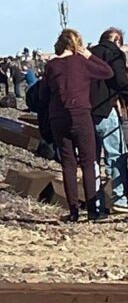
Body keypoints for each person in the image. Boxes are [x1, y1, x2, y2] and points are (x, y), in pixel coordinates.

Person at [38, 28, 113, 222]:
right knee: (88, 162)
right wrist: (89, 56)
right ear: (77, 44)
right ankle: (93, 212)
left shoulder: (51, 66)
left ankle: (73, 212)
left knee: (68, 163)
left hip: (58, 118)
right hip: (81, 114)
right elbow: (107, 72)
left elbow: (43, 96)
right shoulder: (82, 62)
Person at [90, 27, 128, 214]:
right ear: (117, 40)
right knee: (116, 155)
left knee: (92, 160)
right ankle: (119, 198)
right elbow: (120, 82)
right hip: (107, 110)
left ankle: (96, 204)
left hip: (86, 112)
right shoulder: (115, 54)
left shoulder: (87, 54)